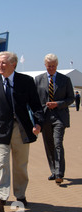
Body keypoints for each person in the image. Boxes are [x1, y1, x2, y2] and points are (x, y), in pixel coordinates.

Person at [0, 51, 44, 212]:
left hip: (21, 129)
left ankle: (20, 195)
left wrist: (38, 123)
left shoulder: (26, 81)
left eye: (4, 63)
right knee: (1, 162)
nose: (0, 66)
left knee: (20, 165)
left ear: (13, 64)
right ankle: (0, 199)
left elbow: (36, 105)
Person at [35, 54, 75, 184]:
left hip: (60, 117)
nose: (51, 68)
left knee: (58, 143)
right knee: (49, 145)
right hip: (45, 117)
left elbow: (71, 98)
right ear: (45, 66)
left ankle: (59, 173)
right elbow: (34, 100)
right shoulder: (38, 80)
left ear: (57, 65)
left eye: (53, 66)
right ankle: (53, 170)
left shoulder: (65, 80)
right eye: (49, 66)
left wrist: (57, 103)